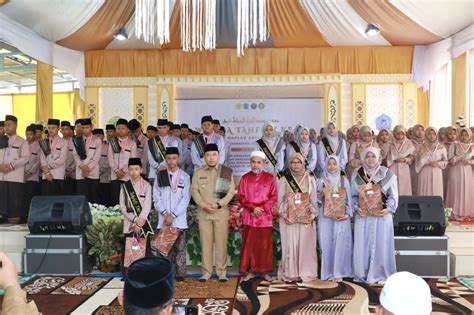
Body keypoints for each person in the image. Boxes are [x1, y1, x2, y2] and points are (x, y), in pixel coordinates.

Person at [351, 147, 398, 285]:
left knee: (381, 244)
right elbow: (353, 196)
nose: (370, 159)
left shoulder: (387, 174)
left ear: (378, 158)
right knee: (363, 244)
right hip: (363, 216)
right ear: (363, 158)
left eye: (373, 156)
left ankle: (381, 273)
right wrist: (356, 208)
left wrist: (388, 209)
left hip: (381, 216)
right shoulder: (356, 174)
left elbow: (393, 195)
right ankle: (362, 273)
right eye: (367, 156)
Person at [191, 143, 236, 282]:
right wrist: (204, 205)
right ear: (204, 157)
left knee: (221, 244)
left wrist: (218, 204)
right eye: (208, 155)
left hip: (220, 213)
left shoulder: (226, 171)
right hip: (204, 214)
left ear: (218, 156)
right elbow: (194, 191)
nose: (211, 158)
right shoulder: (198, 172)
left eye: (214, 155)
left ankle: (222, 272)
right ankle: (206, 273)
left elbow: (230, 192)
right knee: (206, 244)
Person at [277, 153, 318, 283]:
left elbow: (313, 200)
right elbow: (280, 200)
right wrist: (284, 215)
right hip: (290, 220)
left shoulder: (310, 179)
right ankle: (291, 273)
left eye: (298, 162)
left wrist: (312, 216)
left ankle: (306, 272)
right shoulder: (284, 179)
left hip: (305, 219)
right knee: (291, 245)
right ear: (289, 164)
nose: (296, 165)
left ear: (303, 163)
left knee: (306, 246)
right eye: (293, 162)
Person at [238, 151, 277, 282]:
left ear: (264, 163)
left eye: (258, 162)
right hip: (250, 216)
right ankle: (250, 271)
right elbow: (241, 197)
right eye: (253, 162)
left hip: (265, 217)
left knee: (265, 245)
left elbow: (273, 197)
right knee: (250, 245)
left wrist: (263, 208)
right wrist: (253, 208)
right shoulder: (244, 178)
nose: (255, 165)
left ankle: (265, 272)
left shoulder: (270, 178)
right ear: (250, 163)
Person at [153, 147, 191, 281]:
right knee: (164, 250)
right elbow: (156, 197)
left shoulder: (185, 177)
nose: (171, 161)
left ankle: (180, 274)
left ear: (178, 158)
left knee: (179, 249)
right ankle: (165, 274)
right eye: (168, 158)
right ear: (165, 159)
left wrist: (173, 215)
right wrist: (164, 213)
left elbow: (185, 199)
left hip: (178, 219)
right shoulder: (160, 176)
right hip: (164, 219)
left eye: (174, 158)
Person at [317, 156, 353, 282]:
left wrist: (347, 215)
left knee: (341, 243)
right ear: (325, 165)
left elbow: (349, 201)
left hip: (341, 217)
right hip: (325, 217)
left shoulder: (344, 181)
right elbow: (315, 201)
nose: (332, 167)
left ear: (339, 165)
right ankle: (327, 272)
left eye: (334, 164)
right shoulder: (320, 181)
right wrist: (322, 193)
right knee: (326, 243)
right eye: (329, 164)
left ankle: (340, 272)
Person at [120, 158, 154, 271]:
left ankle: (145, 272)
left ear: (141, 169)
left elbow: (148, 205)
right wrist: (134, 219)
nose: (134, 172)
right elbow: (123, 206)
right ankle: (127, 274)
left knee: (145, 249)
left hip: (143, 224)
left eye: (136, 169)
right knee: (129, 248)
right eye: (131, 169)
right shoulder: (125, 186)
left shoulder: (147, 186)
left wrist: (139, 223)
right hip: (129, 223)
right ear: (128, 171)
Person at [0, 115, 29, 224]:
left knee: (14, 207)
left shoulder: (22, 142)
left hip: (15, 179)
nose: (7, 127)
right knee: (2, 207)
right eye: (5, 125)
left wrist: (11, 166)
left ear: (16, 126)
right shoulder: (1, 140)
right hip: (2, 178)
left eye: (9, 125)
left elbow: (25, 158)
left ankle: (14, 229)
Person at [109, 119, 138, 205]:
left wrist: (124, 171)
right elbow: (110, 158)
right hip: (115, 175)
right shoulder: (112, 142)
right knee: (115, 199)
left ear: (128, 130)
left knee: (126, 200)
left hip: (127, 176)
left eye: (123, 128)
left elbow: (133, 159)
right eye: (118, 128)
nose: (120, 130)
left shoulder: (132, 143)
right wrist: (116, 170)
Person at [446, 127, 473, 218]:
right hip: (456, 169)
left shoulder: (472, 146)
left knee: (467, 189)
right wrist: (458, 158)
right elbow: (449, 158)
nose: (463, 137)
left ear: (470, 135)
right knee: (455, 189)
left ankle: (467, 212)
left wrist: (469, 162)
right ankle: (454, 212)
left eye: (466, 135)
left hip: (468, 170)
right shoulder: (454, 144)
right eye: (462, 135)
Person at [73, 118, 101, 203]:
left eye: (87, 127)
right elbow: (75, 155)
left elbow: (96, 157)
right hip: (80, 173)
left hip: (92, 172)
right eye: (83, 128)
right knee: (82, 198)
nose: (85, 130)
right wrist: (82, 166)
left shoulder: (97, 140)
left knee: (93, 198)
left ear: (91, 127)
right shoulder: (77, 140)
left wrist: (88, 168)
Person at [148, 119, 183, 186]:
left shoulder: (174, 140)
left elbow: (175, 156)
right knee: (155, 194)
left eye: (164, 128)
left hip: (170, 170)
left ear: (168, 128)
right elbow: (150, 157)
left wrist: (164, 166)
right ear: (157, 128)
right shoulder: (151, 141)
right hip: (155, 172)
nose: (162, 130)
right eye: (159, 128)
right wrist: (158, 167)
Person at [415, 127, 447, 199]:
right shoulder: (421, 147)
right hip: (424, 171)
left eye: (433, 134)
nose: (431, 136)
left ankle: (436, 208)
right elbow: (417, 161)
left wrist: (438, 163)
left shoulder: (441, 147)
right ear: (426, 135)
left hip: (437, 171)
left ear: (436, 135)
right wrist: (427, 162)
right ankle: (423, 208)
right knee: (424, 191)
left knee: (436, 190)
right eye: (429, 134)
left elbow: (445, 161)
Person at [38, 118, 67, 196]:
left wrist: (48, 167)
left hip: (58, 175)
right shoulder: (44, 141)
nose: (51, 130)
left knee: (58, 201)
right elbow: (42, 158)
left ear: (58, 128)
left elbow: (62, 159)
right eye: (49, 128)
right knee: (46, 201)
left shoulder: (63, 142)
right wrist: (47, 173)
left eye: (53, 128)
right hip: (46, 176)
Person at [387, 125, 415, 196]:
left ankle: (405, 203)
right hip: (393, 166)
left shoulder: (409, 143)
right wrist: (393, 159)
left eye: (402, 134)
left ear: (404, 133)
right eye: (398, 134)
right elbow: (387, 156)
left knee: (404, 185)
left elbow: (413, 156)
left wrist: (405, 159)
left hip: (404, 166)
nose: (400, 136)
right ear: (394, 133)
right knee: (393, 184)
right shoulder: (390, 143)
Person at [24, 125, 41, 218]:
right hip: (22, 176)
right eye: (27, 134)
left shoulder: (38, 145)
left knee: (31, 196)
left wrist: (30, 172)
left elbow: (38, 161)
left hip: (32, 176)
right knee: (23, 197)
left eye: (30, 134)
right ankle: (24, 215)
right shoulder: (22, 144)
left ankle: (31, 216)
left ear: (34, 135)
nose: (28, 136)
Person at [94, 129, 112, 206]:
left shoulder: (108, 146)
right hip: (93, 177)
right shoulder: (91, 146)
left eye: (99, 135)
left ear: (103, 136)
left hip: (105, 177)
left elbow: (109, 160)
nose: (97, 137)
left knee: (105, 198)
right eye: (95, 136)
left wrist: (100, 171)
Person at [61, 120, 76, 195]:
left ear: (70, 130)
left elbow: (76, 158)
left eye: (66, 129)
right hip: (59, 174)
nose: (65, 131)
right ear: (60, 130)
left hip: (71, 174)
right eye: (63, 129)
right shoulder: (58, 142)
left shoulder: (74, 142)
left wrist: (70, 170)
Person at [410, 124, 425, 195]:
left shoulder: (426, 143)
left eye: (422, 130)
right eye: (417, 130)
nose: (420, 132)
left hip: (424, 167)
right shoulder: (409, 142)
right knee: (413, 183)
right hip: (413, 167)